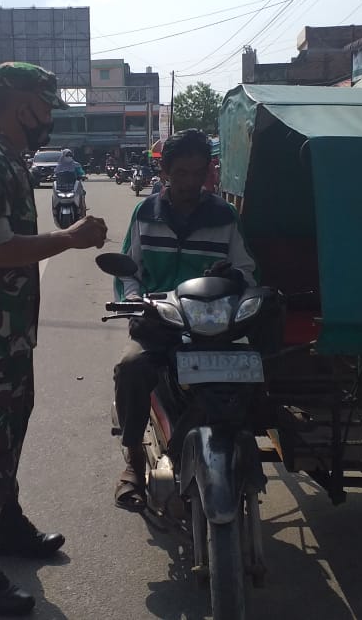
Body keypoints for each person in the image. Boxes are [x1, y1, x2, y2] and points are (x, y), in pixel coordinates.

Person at [0, 61, 108, 616]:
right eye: (46, 105)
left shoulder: (8, 159)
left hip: (4, 331)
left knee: (7, 435)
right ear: (20, 104)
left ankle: (4, 525)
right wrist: (68, 238)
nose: (50, 117)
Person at [111, 129, 257, 512]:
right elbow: (129, 269)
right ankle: (133, 461)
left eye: (198, 172)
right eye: (182, 173)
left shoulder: (225, 216)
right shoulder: (145, 213)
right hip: (160, 320)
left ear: (209, 171)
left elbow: (246, 268)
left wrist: (236, 279)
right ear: (166, 172)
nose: (191, 181)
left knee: (256, 374)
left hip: (214, 326)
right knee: (131, 368)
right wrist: (132, 300)